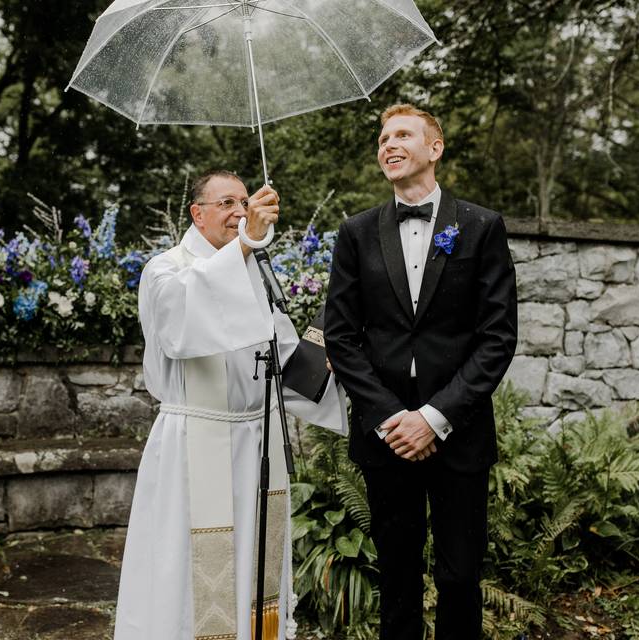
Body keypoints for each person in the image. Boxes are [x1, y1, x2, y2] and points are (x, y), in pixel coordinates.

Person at [114, 170, 347, 640]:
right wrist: (247, 244)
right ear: (197, 213)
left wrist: (344, 350)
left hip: (254, 445)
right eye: (226, 204)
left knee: (252, 563)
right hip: (192, 446)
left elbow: (286, 367)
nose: (240, 212)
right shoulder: (165, 269)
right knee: (183, 566)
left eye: (244, 202)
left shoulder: (254, 277)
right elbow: (180, 322)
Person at [324, 104, 518, 639]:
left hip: (460, 432)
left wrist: (434, 417)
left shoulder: (480, 228)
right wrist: (391, 418)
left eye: (402, 134)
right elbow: (340, 336)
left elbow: (497, 337)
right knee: (397, 575)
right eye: (383, 137)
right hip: (386, 439)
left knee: (459, 575)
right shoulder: (356, 233)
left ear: (435, 148)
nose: (388, 144)